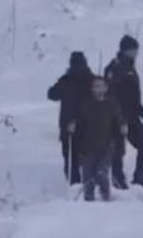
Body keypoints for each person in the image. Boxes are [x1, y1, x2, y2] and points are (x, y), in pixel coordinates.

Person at [104, 35, 143, 190]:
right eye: (134, 50)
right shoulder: (114, 68)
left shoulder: (131, 68)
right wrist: (118, 117)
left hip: (132, 116)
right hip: (117, 117)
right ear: (127, 50)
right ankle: (118, 180)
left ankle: (140, 177)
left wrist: (142, 111)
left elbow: (132, 97)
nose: (136, 53)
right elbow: (111, 94)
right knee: (118, 150)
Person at [70, 77, 127, 202]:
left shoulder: (112, 104)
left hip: (106, 146)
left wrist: (122, 126)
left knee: (101, 173)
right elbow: (80, 124)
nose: (98, 89)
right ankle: (89, 202)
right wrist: (74, 127)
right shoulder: (86, 105)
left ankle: (106, 197)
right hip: (88, 147)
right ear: (91, 89)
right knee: (88, 177)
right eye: (95, 86)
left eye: (100, 86)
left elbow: (118, 120)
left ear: (106, 88)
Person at [47, 51, 94, 185]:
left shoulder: (66, 80)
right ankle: (89, 183)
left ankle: (74, 185)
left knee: (70, 158)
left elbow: (51, 94)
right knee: (88, 157)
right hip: (88, 126)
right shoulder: (91, 80)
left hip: (68, 126)